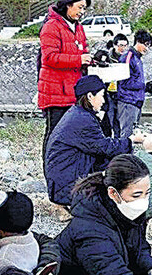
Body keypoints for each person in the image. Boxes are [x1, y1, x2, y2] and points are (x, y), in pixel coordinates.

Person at [44, 75, 142, 207]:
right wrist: (131, 141)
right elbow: (104, 147)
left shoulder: (78, 114)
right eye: (101, 96)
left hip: (63, 179)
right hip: (66, 187)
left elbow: (99, 144)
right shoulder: (82, 120)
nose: (103, 101)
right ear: (90, 96)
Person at [38, 0, 91, 160]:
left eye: (84, 8)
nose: (82, 12)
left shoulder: (78, 27)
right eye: (80, 7)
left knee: (70, 135)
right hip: (55, 93)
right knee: (53, 134)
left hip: (73, 91)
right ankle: (49, 169)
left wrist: (88, 59)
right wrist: (78, 59)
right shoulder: (51, 26)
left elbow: (82, 51)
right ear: (69, 4)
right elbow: (49, 57)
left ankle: (65, 167)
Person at [115, 29, 152, 139]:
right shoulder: (128, 57)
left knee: (133, 135)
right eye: (146, 45)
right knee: (126, 135)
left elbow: (134, 81)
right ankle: (123, 156)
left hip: (135, 101)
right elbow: (123, 81)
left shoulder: (137, 58)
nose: (147, 49)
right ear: (137, 41)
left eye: (149, 46)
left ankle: (128, 155)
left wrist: (146, 87)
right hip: (127, 101)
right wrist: (144, 86)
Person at [102, 33, 129, 137]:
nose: (122, 48)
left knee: (119, 122)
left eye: (125, 45)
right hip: (108, 93)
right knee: (109, 120)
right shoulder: (107, 58)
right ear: (114, 45)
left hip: (121, 94)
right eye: (120, 45)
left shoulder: (127, 59)